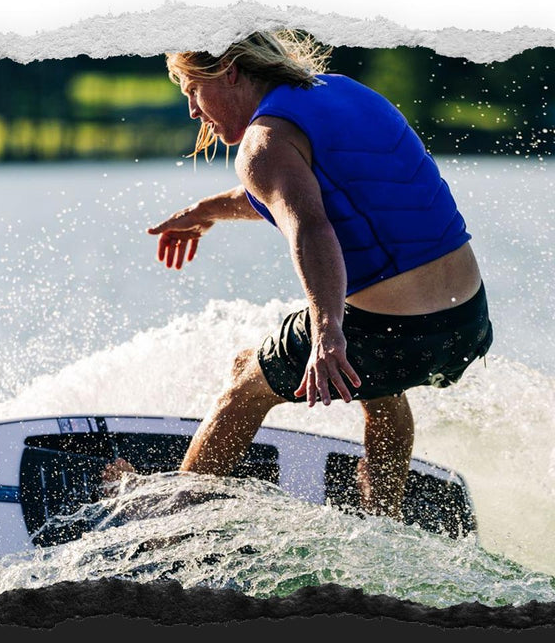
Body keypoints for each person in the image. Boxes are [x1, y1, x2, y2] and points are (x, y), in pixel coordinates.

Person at [146, 31, 491, 519]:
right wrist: (206, 210)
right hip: (466, 324)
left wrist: (327, 332)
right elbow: (305, 188)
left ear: (229, 71)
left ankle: (169, 528)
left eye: (192, 92)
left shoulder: (262, 144)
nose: (193, 112)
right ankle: (383, 519)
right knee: (377, 375)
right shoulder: (342, 91)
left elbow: (311, 225)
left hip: (391, 331)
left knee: (248, 378)